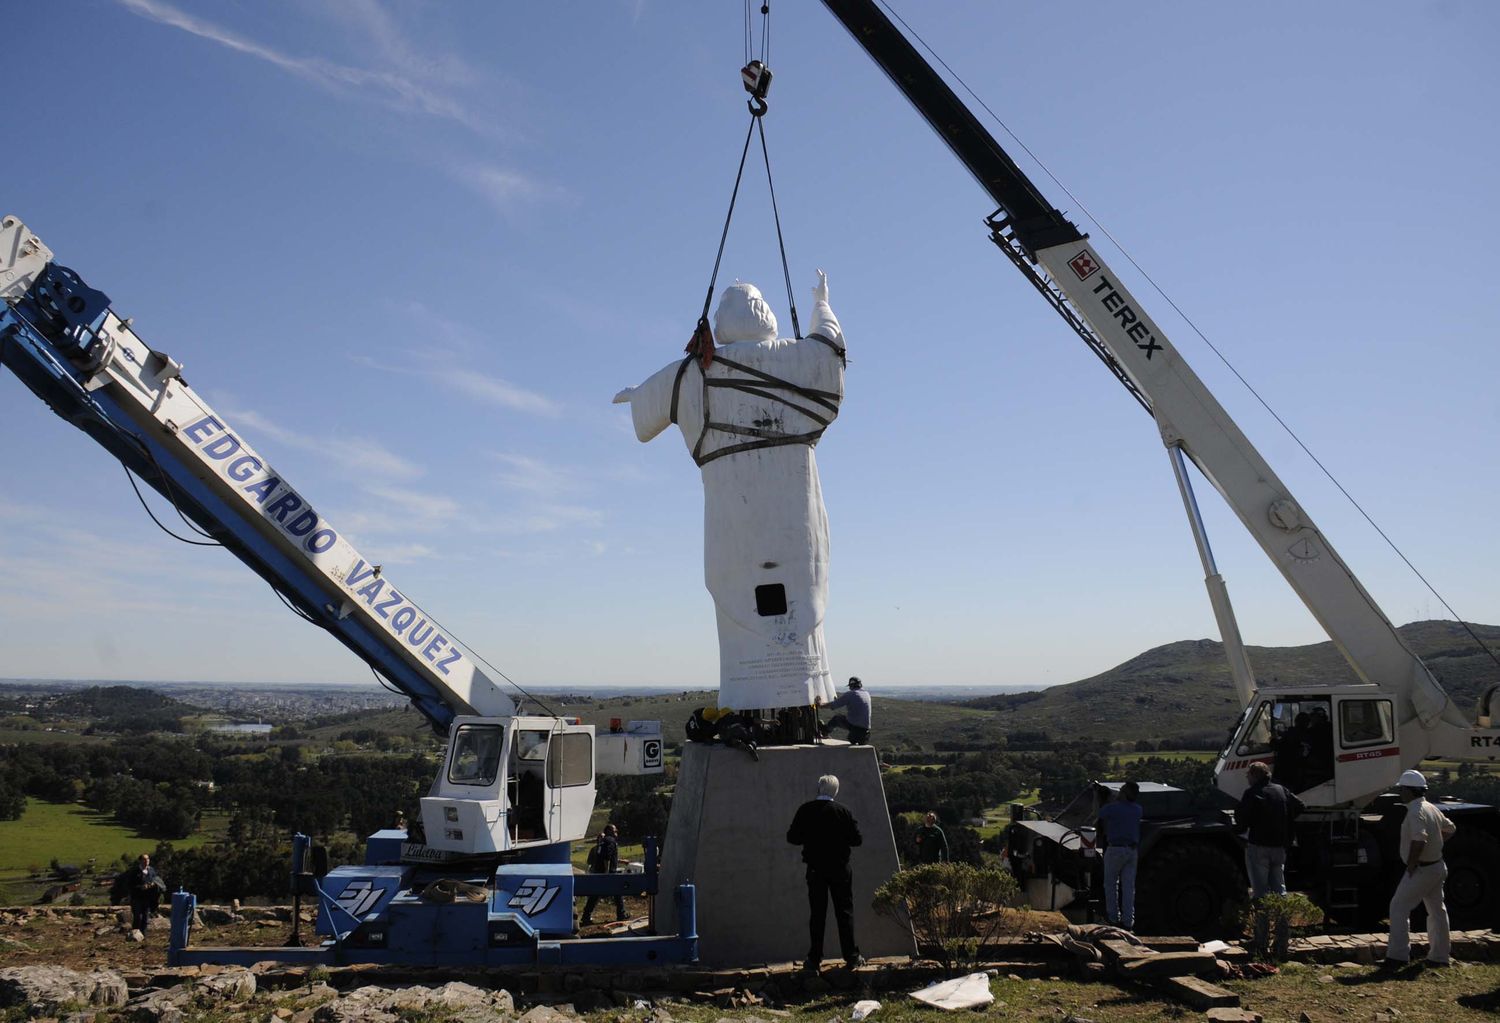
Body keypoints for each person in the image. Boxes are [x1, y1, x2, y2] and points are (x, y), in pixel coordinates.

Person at [615, 273, 847, 713]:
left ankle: (746, 695)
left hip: (732, 524)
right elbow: (830, 348)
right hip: (799, 522)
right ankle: (805, 694)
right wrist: (821, 304)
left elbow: (648, 415)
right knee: (801, 605)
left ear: (719, 322)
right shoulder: (799, 358)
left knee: (740, 612)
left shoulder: (695, 370)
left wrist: (637, 396)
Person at [787, 774, 864, 972]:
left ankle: (814, 958)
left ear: (819, 789)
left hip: (815, 868)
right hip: (840, 868)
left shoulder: (805, 810)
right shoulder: (843, 811)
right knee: (844, 912)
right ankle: (851, 956)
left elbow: (792, 837)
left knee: (817, 914)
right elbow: (857, 840)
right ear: (835, 791)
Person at [1381, 769, 1456, 970]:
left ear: (1408, 790)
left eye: (1402, 790)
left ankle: (1397, 956)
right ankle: (1440, 956)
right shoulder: (1431, 808)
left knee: (1398, 907)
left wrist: (1412, 863)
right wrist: (1436, 844)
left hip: (1422, 869)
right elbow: (1450, 828)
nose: (1400, 793)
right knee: (1437, 911)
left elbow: (1419, 839)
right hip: (1438, 866)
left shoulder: (1415, 812)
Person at [1234, 761, 1304, 958]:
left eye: (1248, 775)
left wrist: (1240, 828)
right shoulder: (1281, 790)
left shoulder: (1253, 792)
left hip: (1259, 847)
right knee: (1280, 892)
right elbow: (1300, 806)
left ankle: (1261, 940)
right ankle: (1282, 941)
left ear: (1255, 775)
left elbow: (1242, 818)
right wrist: (1286, 821)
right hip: (1280, 847)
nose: (1247, 778)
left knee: (1260, 894)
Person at [1095, 781, 1143, 931]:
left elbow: (1099, 813)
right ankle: (1128, 922)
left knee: (1110, 885)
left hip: (1115, 850)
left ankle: (1113, 919)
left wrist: (1101, 796)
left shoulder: (1113, 808)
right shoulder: (1138, 809)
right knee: (1128, 888)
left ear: (1124, 793)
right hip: (1132, 851)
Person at [580, 824, 627, 925]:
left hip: (598, 872)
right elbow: (607, 858)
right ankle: (621, 914)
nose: (616, 833)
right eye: (615, 831)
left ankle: (585, 917)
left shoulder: (602, 842)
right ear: (609, 831)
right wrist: (606, 873)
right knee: (618, 891)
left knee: (594, 895)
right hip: (608, 874)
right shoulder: (611, 841)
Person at [819, 677, 871, 744]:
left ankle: (825, 732)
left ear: (851, 686)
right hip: (865, 729)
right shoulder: (866, 694)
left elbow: (834, 705)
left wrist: (821, 705)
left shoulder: (850, 694)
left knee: (836, 718)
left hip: (854, 726)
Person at [124, 853, 165, 933]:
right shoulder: (134, 872)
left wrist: (152, 884)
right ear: (140, 861)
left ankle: (144, 934)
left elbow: (156, 880)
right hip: (137, 898)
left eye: (148, 859)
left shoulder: (151, 870)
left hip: (148, 898)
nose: (146, 861)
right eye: (144, 859)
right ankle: (135, 934)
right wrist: (140, 887)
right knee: (137, 917)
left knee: (145, 917)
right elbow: (129, 885)